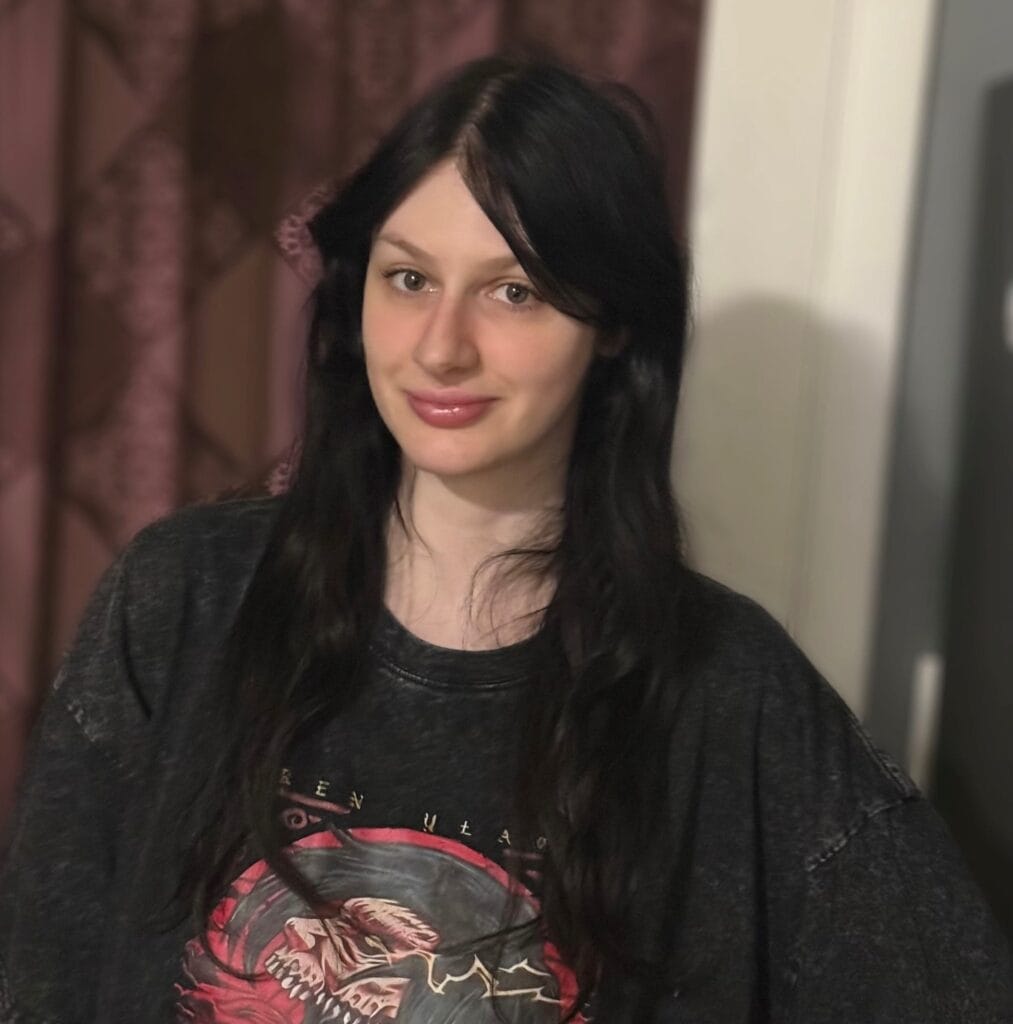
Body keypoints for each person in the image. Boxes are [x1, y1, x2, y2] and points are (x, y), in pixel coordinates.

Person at [1, 54, 1011, 1024]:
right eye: (407, 279)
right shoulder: (184, 597)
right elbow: (35, 980)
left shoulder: (722, 689)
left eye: (512, 290)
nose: (441, 346)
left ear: (609, 324)